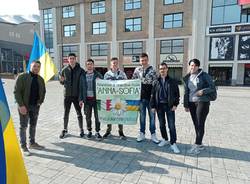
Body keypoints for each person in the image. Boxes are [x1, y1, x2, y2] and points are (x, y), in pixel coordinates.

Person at [183, 58, 217, 155]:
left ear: (198, 66)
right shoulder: (187, 77)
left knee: (200, 123)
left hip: (202, 102)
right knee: (196, 124)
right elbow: (186, 92)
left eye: (194, 65)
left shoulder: (204, 75)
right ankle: (200, 143)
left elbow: (212, 87)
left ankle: (197, 145)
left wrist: (203, 91)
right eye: (191, 65)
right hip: (191, 103)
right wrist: (186, 104)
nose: (192, 67)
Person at [14, 60, 46, 156]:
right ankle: (23, 146)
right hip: (24, 106)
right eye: (34, 66)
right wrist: (21, 105)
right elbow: (16, 92)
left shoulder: (40, 79)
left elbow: (43, 91)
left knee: (33, 125)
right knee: (23, 126)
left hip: (35, 106)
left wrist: (40, 101)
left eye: (38, 67)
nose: (36, 68)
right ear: (30, 66)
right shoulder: (22, 77)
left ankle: (32, 143)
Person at [150, 62, 180, 153]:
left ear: (167, 69)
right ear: (159, 70)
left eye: (164, 68)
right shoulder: (156, 81)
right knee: (162, 124)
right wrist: (153, 106)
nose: (162, 70)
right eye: (160, 69)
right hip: (159, 106)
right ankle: (165, 139)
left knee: (171, 125)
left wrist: (175, 104)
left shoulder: (172, 81)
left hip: (169, 106)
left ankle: (173, 143)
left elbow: (177, 94)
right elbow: (152, 95)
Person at [132, 53, 159, 143]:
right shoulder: (137, 70)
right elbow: (133, 81)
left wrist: (154, 98)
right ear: (140, 61)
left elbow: (155, 85)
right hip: (141, 98)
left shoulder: (153, 70)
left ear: (147, 60)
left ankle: (153, 135)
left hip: (151, 98)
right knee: (142, 117)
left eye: (145, 60)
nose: (143, 62)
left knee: (152, 117)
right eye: (141, 60)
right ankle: (142, 134)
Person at [59, 53, 84, 139]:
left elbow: (83, 83)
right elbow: (62, 82)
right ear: (68, 59)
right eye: (70, 58)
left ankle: (81, 129)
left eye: (73, 58)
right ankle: (65, 129)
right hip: (67, 95)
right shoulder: (64, 70)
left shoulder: (80, 70)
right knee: (66, 113)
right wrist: (61, 81)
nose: (72, 60)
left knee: (79, 113)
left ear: (75, 59)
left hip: (77, 96)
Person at [103, 57, 127, 140]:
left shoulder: (122, 74)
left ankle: (121, 132)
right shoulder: (107, 74)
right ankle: (108, 130)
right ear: (111, 64)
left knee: (120, 114)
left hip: (119, 98)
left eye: (116, 63)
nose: (115, 64)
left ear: (118, 64)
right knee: (109, 114)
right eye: (113, 63)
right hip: (109, 98)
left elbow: (126, 84)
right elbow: (103, 86)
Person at [79, 58, 103, 140]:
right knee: (88, 117)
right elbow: (81, 88)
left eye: (91, 64)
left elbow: (104, 85)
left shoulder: (98, 75)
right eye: (88, 64)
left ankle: (97, 132)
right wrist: (80, 99)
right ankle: (89, 131)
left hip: (96, 100)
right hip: (87, 100)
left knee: (97, 117)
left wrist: (99, 81)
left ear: (93, 65)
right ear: (86, 66)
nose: (89, 65)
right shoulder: (83, 76)